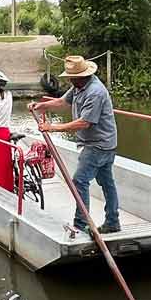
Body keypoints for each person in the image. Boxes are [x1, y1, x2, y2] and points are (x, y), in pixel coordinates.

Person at [28, 55, 120, 234]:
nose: (69, 80)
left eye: (72, 77)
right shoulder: (78, 86)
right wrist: (40, 106)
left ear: (82, 76)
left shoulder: (95, 92)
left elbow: (85, 122)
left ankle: (81, 224)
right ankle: (112, 221)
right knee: (107, 182)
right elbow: (62, 102)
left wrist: (52, 128)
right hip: (102, 142)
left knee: (79, 180)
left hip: (99, 144)